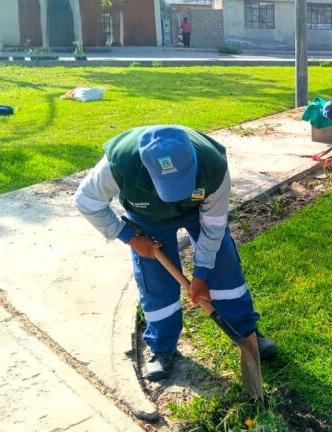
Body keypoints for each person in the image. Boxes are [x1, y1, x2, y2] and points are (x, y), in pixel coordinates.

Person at [74, 125, 276, 381]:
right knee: (156, 281)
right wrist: (129, 237)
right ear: (146, 168)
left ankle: (246, 332)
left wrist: (201, 273)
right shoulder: (118, 165)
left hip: (198, 211)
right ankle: (162, 348)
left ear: (193, 159)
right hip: (148, 217)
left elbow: (213, 225)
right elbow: (86, 201)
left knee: (224, 268)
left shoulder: (213, 164)